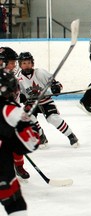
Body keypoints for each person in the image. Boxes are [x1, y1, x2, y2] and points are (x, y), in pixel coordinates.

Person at [17, 52, 79, 148]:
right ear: (20, 65)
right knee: (28, 117)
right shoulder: (18, 79)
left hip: (45, 101)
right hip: (31, 103)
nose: (27, 65)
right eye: (24, 63)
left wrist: (56, 88)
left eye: (28, 63)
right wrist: (21, 97)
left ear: (32, 63)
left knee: (53, 118)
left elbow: (57, 84)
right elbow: (18, 94)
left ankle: (71, 135)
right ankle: (41, 136)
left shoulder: (40, 72)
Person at [0, 69, 40, 216]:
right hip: (2, 168)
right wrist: (27, 122)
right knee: (16, 204)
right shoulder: (10, 110)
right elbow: (32, 142)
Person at [0, 47, 35, 180]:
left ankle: (19, 166)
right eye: (12, 62)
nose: (14, 65)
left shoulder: (10, 79)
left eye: (15, 63)